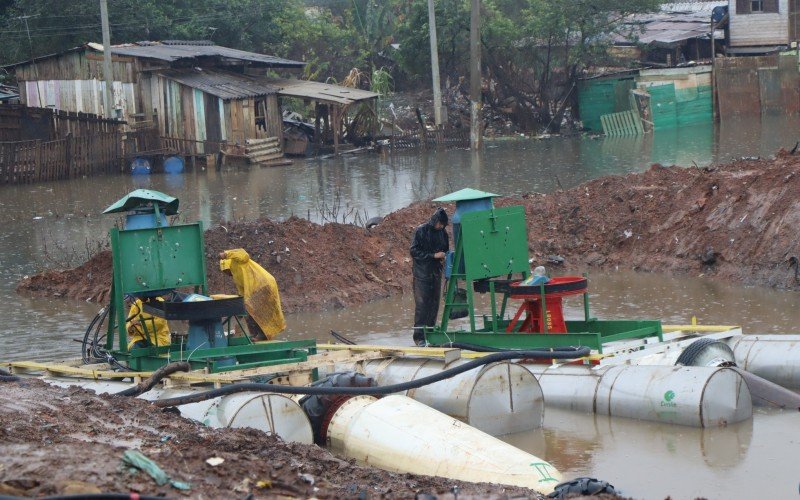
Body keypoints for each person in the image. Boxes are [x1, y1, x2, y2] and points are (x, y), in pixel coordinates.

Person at [219, 248, 286, 341]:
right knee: (248, 310)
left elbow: (243, 254)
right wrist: (239, 306)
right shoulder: (235, 275)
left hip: (263, 284)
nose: (227, 273)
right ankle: (255, 334)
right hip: (256, 289)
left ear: (227, 265)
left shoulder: (238, 261)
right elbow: (242, 291)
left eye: (226, 271)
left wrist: (226, 254)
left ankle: (262, 334)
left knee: (257, 311)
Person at [409, 207, 450, 345]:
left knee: (434, 304)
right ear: (434, 220)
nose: (440, 226)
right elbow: (414, 251)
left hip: (436, 273)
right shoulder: (421, 231)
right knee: (422, 305)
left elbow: (446, 249)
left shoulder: (443, 233)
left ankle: (431, 335)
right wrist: (432, 255)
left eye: (443, 225)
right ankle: (419, 337)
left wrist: (443, 257)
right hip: (422, 273)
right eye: (439, 223)